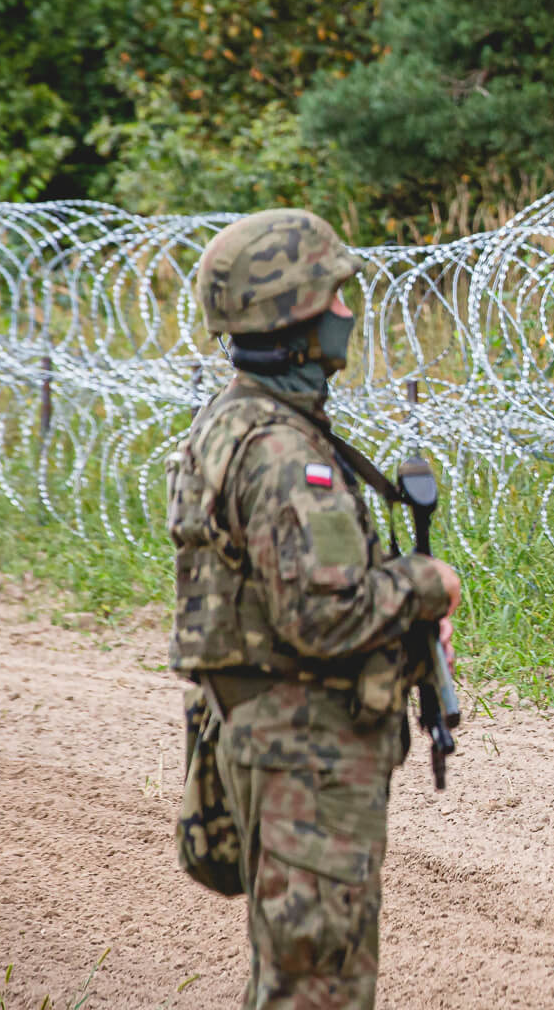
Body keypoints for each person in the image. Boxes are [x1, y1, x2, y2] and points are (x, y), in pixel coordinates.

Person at [165, 208, 462, 1009]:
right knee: (316, 988)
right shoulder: (285, 454)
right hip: (306, 755)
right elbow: (320, 617)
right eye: (332, 297)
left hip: (267, 739)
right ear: (291, 317)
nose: (344, 313)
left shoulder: (231, 423)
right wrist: (427, 585)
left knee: (294, 975)